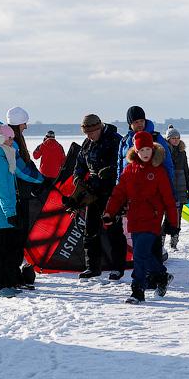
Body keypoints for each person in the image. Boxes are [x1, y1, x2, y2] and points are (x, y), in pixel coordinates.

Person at [103, 131, 179, 304]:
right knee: (144, 255)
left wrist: (173, 223)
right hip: (134, 218)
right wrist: (109, 212)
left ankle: (137, 290)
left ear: (152, 149)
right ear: (135, 151)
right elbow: (118, 194)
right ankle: (161, 275)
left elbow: (168, 199)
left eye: (148, 149)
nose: (145, 153)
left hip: (152, 218)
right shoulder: (129, 170)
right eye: (141, 150)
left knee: (139, 254)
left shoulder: (158, 172)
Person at [117, 105, 175, 270]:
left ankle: (155, 274)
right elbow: (120, 169)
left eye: (141, 120)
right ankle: (144, 271)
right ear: (130, 123)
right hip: (132, 197)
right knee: (135, 235)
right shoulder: (125, 141)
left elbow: (168, 166)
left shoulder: (156, 139)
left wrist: (168, 194)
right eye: (136, 122)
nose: (139, 124)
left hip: (153, 196)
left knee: (152, 236)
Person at [73, 113, 128, 280]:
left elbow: (124, 163)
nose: (89, 136)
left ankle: (117, 268)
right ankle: (92, 267)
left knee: (114, 231)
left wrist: (111, 170)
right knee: (90, 231)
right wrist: (77, 177)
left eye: (92, 132)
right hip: (93, 193)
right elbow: (80, 163)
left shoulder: (115, 140)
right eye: (86, 134)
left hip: (112, 193)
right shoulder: (87, 143)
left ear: (99, 128)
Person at [5, 106, 44, 288]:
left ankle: (16, 273)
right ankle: (14, 275)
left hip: (20, 193)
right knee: (18, 237)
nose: (26, 126)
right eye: (24, 123)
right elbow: (21, 170)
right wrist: (40, 180)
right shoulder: (13, 142)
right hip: (20, 194)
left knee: (18, 238)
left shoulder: (12, 139)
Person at [0, 124, 24, 298]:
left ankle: (8, 281)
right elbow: (2, 190)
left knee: (8, 249)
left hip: (6, 210)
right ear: (0, 139)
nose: (12, 141)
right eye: (10, 138)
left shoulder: (6, 156)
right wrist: (9, 212)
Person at [162, 125, 189, 249]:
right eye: (173, 138)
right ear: (168, 139)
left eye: (177, 138)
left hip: (180, 186)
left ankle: (174, 241)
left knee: (178, 215)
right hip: (167, 185)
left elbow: (186, 170)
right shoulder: (163, 151)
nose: (176, 140)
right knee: (166, 215)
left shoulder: (182, 152)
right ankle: (161, 239)